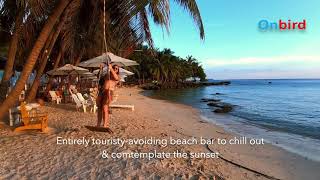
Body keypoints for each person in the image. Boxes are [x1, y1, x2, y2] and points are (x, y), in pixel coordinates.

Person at [96, 63, 119, 128]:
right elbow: (99, 77)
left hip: (109, 92)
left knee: (104, 108)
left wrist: (111, 68)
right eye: (114, 68)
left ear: (117, 71)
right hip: (102, 92)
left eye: (116, 69)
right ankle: (98, 124)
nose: (115, 69)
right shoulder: (107, 75)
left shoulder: (117, 76)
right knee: (99, 108)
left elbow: (116, 78)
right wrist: (100, 69)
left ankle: (105, 124)